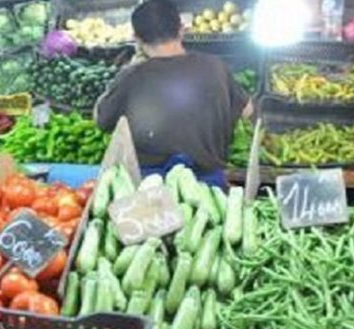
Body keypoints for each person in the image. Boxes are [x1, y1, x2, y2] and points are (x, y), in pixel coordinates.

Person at [95, 0, 252, 188]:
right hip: (208, 187)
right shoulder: (215, 66)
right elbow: (247, 110)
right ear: (181, 30)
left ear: (136, 38)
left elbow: (101, 120)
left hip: (151, 187)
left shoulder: (131, 76)